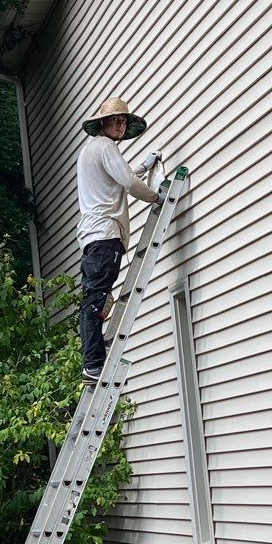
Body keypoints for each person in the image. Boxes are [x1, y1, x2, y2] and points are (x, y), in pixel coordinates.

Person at [76, 96, 162, 383]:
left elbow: (119, 177)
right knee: (96, 301)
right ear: (102, 123)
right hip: (105, 235)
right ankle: (93, 364)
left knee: (96, 297)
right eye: (115, 120)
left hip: (92, 238)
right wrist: (155, 197)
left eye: (123, 120)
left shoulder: (92, 150)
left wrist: (143, 167)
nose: (120, 124)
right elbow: (127, 183)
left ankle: (91, 362)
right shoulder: (106, 146)